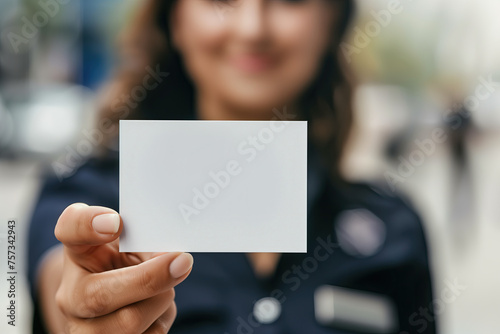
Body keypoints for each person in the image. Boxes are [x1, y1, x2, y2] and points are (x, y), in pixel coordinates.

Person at [28, 0, 436, 333]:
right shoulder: (88, 199)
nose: (252, 28)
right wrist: (84, 305)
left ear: (331, 20)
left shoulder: (393, 227)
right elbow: (61, 282)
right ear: (177, 19)